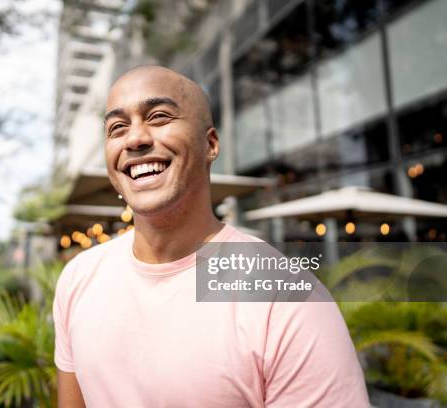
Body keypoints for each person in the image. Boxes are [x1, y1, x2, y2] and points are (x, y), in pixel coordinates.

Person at [53, 65, 369, 407]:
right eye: (117, 127)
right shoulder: (78, 278)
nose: (135, 139)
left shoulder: (287, 300)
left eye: (158, 117)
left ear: (211, 144)